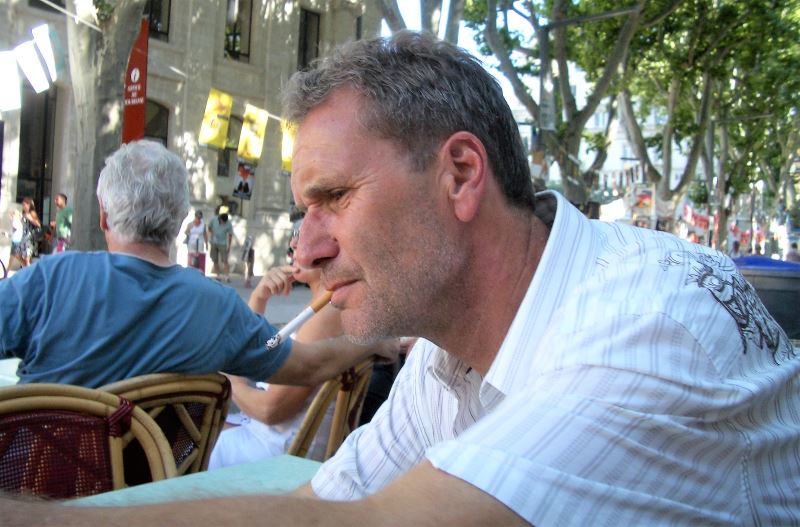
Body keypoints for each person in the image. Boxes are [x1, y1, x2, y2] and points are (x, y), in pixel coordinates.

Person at [5, 31, 799, 526]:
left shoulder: (647, 327)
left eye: (334, 197)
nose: (307, 248)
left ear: (460, 175)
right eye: (303, 209)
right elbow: (330, 497)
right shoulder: (445, 352)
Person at [0, 139, 404, 390]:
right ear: (181, 220)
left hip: (30, 486)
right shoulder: (218, 307)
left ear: (104, 217)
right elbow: (307, 365)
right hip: (158, 489)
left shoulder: (48, 281)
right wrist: (371, 341)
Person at [209, 234, 344, 468]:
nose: (293, 244)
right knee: (192, 426)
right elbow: (267, 348)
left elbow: (269, 410)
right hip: (268, 437)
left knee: (183, 440)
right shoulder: (318, 307)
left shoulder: (325, 316)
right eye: (294, 236)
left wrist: (231, 382)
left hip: (275, 453)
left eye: (301, 236)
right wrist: (259, 298)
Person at [208, 207, 233, 282]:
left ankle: (227, 276)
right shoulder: (213, 220)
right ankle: (218, 275)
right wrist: (212, 233)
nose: (223, 223)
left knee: (225, 260)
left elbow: (230, 235)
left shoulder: (228, 223)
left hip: (223, 243)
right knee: (215, 260)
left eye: (224, 222)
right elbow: (209, 227)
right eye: (222, 221)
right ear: (219, 218)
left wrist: (229, 246)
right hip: (214, 242)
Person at [15, 197, 41, 267]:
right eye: (22, 205)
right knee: (17, 255)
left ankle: (28, 269)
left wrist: (30, 218)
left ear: (29, 205)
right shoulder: (23, 213)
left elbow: (38, 224)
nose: (23, 206)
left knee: (27, 259)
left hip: (29, 238)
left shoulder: (32, 213)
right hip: (23, 238)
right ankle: (28, 269)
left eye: (24, 204)